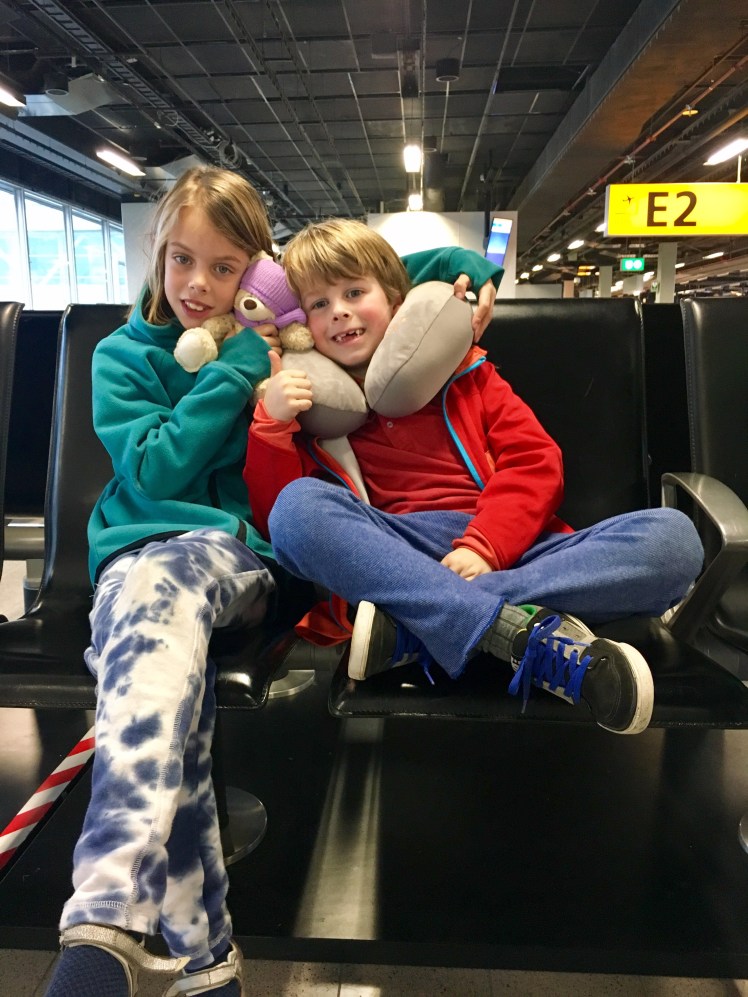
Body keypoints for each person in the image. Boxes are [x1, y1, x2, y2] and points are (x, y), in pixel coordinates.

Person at [43, 170, 501, 997]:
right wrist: (235, 369)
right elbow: (155, 468)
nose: (197, 284)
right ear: (157, 252)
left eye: (225, 268)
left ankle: (108, 912)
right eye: (182, 259)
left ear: (256, 270)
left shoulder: (276, 320)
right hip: (137, 556)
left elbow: (395, 269)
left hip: (241, 557)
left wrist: (471, 274)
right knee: (166, 660)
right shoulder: (123, 356)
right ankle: (203, 959)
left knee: (161, 600)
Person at [245, 218, 705, 738]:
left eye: (354, 292)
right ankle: (513, 632)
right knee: (297, 509)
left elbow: (536, 461)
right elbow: (279, 522)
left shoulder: (468, 373)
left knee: (674, 540)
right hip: (398, 550)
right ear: (300, 326)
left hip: (512, 545)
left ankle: (416, 625)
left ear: (395, 301)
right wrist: (272, 424)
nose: (339, 311)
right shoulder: (314, 409)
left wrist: (486, 546)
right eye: (319, 304)